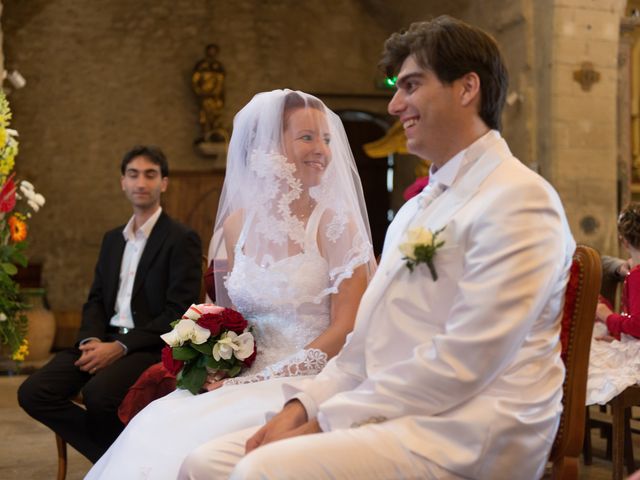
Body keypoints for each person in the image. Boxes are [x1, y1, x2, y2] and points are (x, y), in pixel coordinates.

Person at [178, 16, 576, 480]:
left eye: (410, 85)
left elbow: (465, 363)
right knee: (203, 463)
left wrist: (326, 421)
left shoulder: (519, 200)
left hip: (467, 429)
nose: (394, 105)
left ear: (467, 88)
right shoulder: (415, 210)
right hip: (397, 408)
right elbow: (364, 344)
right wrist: (300, 405)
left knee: (260, 472)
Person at [85, 90, 376, 478]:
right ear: (269, 147)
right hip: (244, 376)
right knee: (156, 427)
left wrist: (270, 375)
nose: (321, 149)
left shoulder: (335, 225)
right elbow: (228, 315)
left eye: (325, 138)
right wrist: (212, 362)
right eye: (307, 137)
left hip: (310, 376)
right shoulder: (235, 226)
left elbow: (347, 327)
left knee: (199, 448)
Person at [17, 146, 202, 462]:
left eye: (150, 174)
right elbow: (97, 300)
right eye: (133, 174)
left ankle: (116, 461)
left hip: (147, 344)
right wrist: (90, 340)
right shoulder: (112, 239)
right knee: (33, 392)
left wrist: (121, 347)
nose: (141, 182)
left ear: (164, 183)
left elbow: (178, 313)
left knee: (99, 395)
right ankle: (117, 458)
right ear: (123, 182)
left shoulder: (180, 238)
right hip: (102, 338)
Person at [587, 203, 640, 405]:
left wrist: (605, 315)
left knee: (586, 365)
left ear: (624, 241)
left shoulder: (637, 276)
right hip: (633, 345)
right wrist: (618, 338)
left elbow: (637, 325)